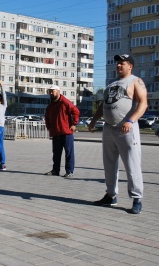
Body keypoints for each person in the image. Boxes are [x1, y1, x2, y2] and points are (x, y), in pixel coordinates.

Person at [89, 54, 148, 214]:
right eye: (118, 63)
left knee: (132, 164)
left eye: (122, 63)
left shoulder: (136, 81)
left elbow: (143, 103)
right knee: (109, 164)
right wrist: (94, 120)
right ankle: (110, 195)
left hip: (126, 128)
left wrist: (131, 120)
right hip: (108, 128)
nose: (119, 66)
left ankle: (136, 198)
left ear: (130, 66)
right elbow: (103, 105)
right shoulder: (111, 84)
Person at [44, 85, 80, 177]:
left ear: (58, 91)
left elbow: (76, 111)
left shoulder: (65, 102)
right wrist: (49, 127)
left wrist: (74, 124)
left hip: (66, 132)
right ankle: (55, 170)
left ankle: (69, 171)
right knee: (56, 154)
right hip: (56, 133)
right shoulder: (50, 105)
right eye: (50, 91)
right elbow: (47, 117)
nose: (51, 93)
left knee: (69, 153)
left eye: (53, 91)